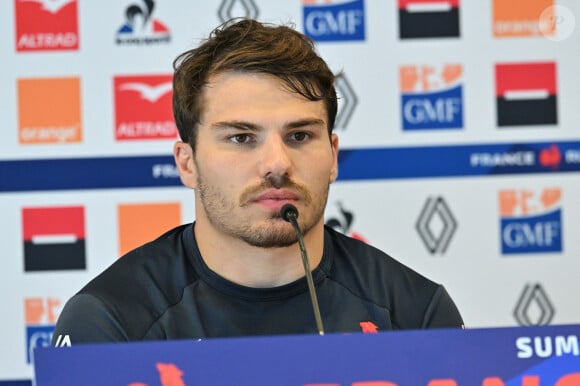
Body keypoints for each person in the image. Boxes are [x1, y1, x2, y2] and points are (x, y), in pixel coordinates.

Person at [52, 18, 463, 345]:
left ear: (333, 156)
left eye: (299, 136)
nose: (277, 164)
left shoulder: (414, 314)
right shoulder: (111, 321)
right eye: (241, 138)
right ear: (187, 163)